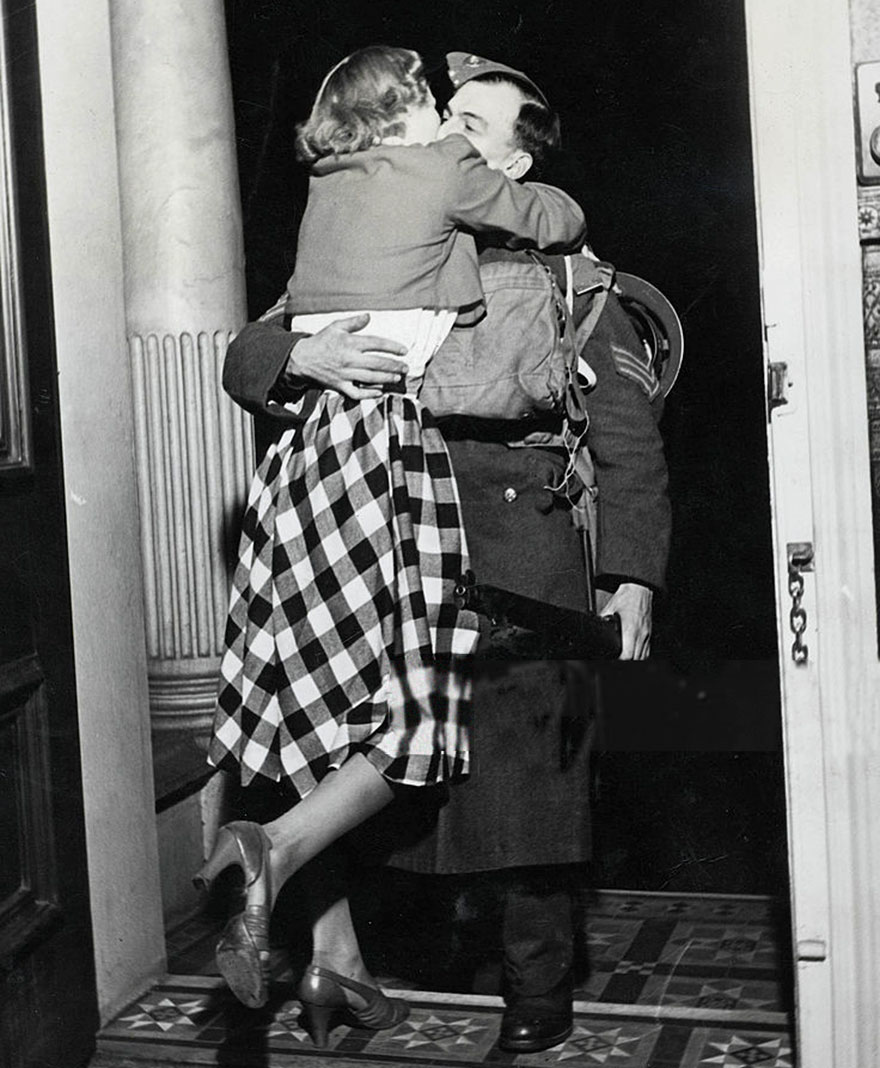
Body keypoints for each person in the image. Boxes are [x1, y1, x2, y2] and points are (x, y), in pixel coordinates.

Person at [221, 51, 670, 1054]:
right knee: (361, 741)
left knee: (531, 776)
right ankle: (349, 958)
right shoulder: (380, 229)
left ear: (515, 161)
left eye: (474, 123)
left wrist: (631, 576)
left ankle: (536, 989)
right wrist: (300, 355)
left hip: (521, 538)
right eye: (445, 113)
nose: (445, 131)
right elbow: (247, 352)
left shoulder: (573, 278)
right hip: (386, 525)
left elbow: (628, 441)